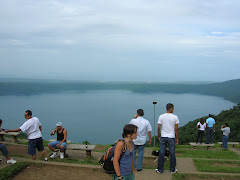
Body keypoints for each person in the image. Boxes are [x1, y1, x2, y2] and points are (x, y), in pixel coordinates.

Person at [155, 103, 179, 174]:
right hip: (171, 137)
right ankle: (172, 169)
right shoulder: (175, 117)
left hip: (163, 137)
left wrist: (159, 136)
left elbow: (159, 128)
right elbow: (176, 129)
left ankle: (160, 169)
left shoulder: (161, 116)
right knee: (172, 153)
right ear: (171, 108)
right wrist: (177, 138)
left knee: (161, 153)